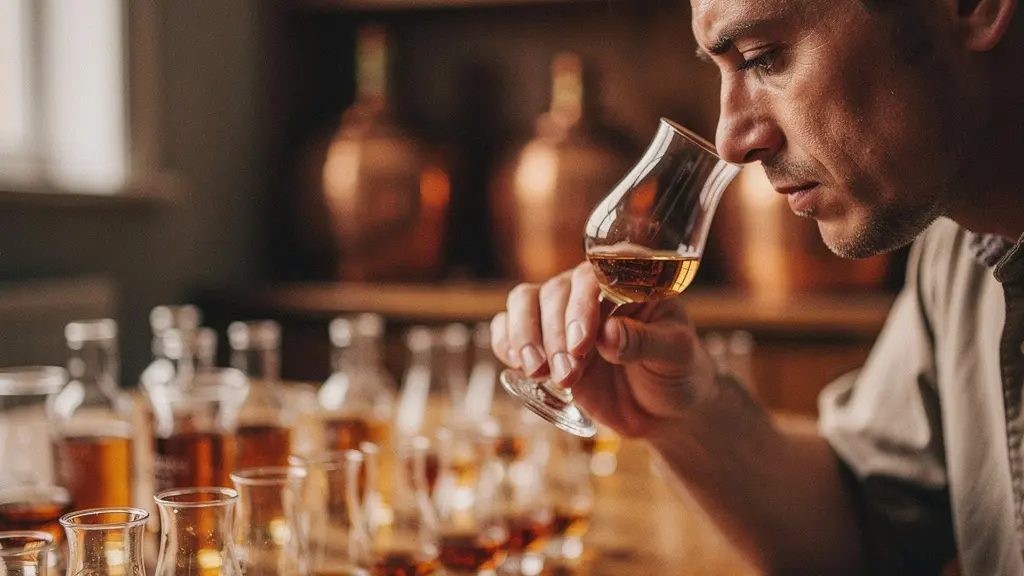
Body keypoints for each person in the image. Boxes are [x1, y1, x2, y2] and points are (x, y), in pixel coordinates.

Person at [490, 0, 1024, 574]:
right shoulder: (956, 250)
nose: (731, 141)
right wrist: (680, 415)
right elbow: (867, 526)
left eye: (764, 58)